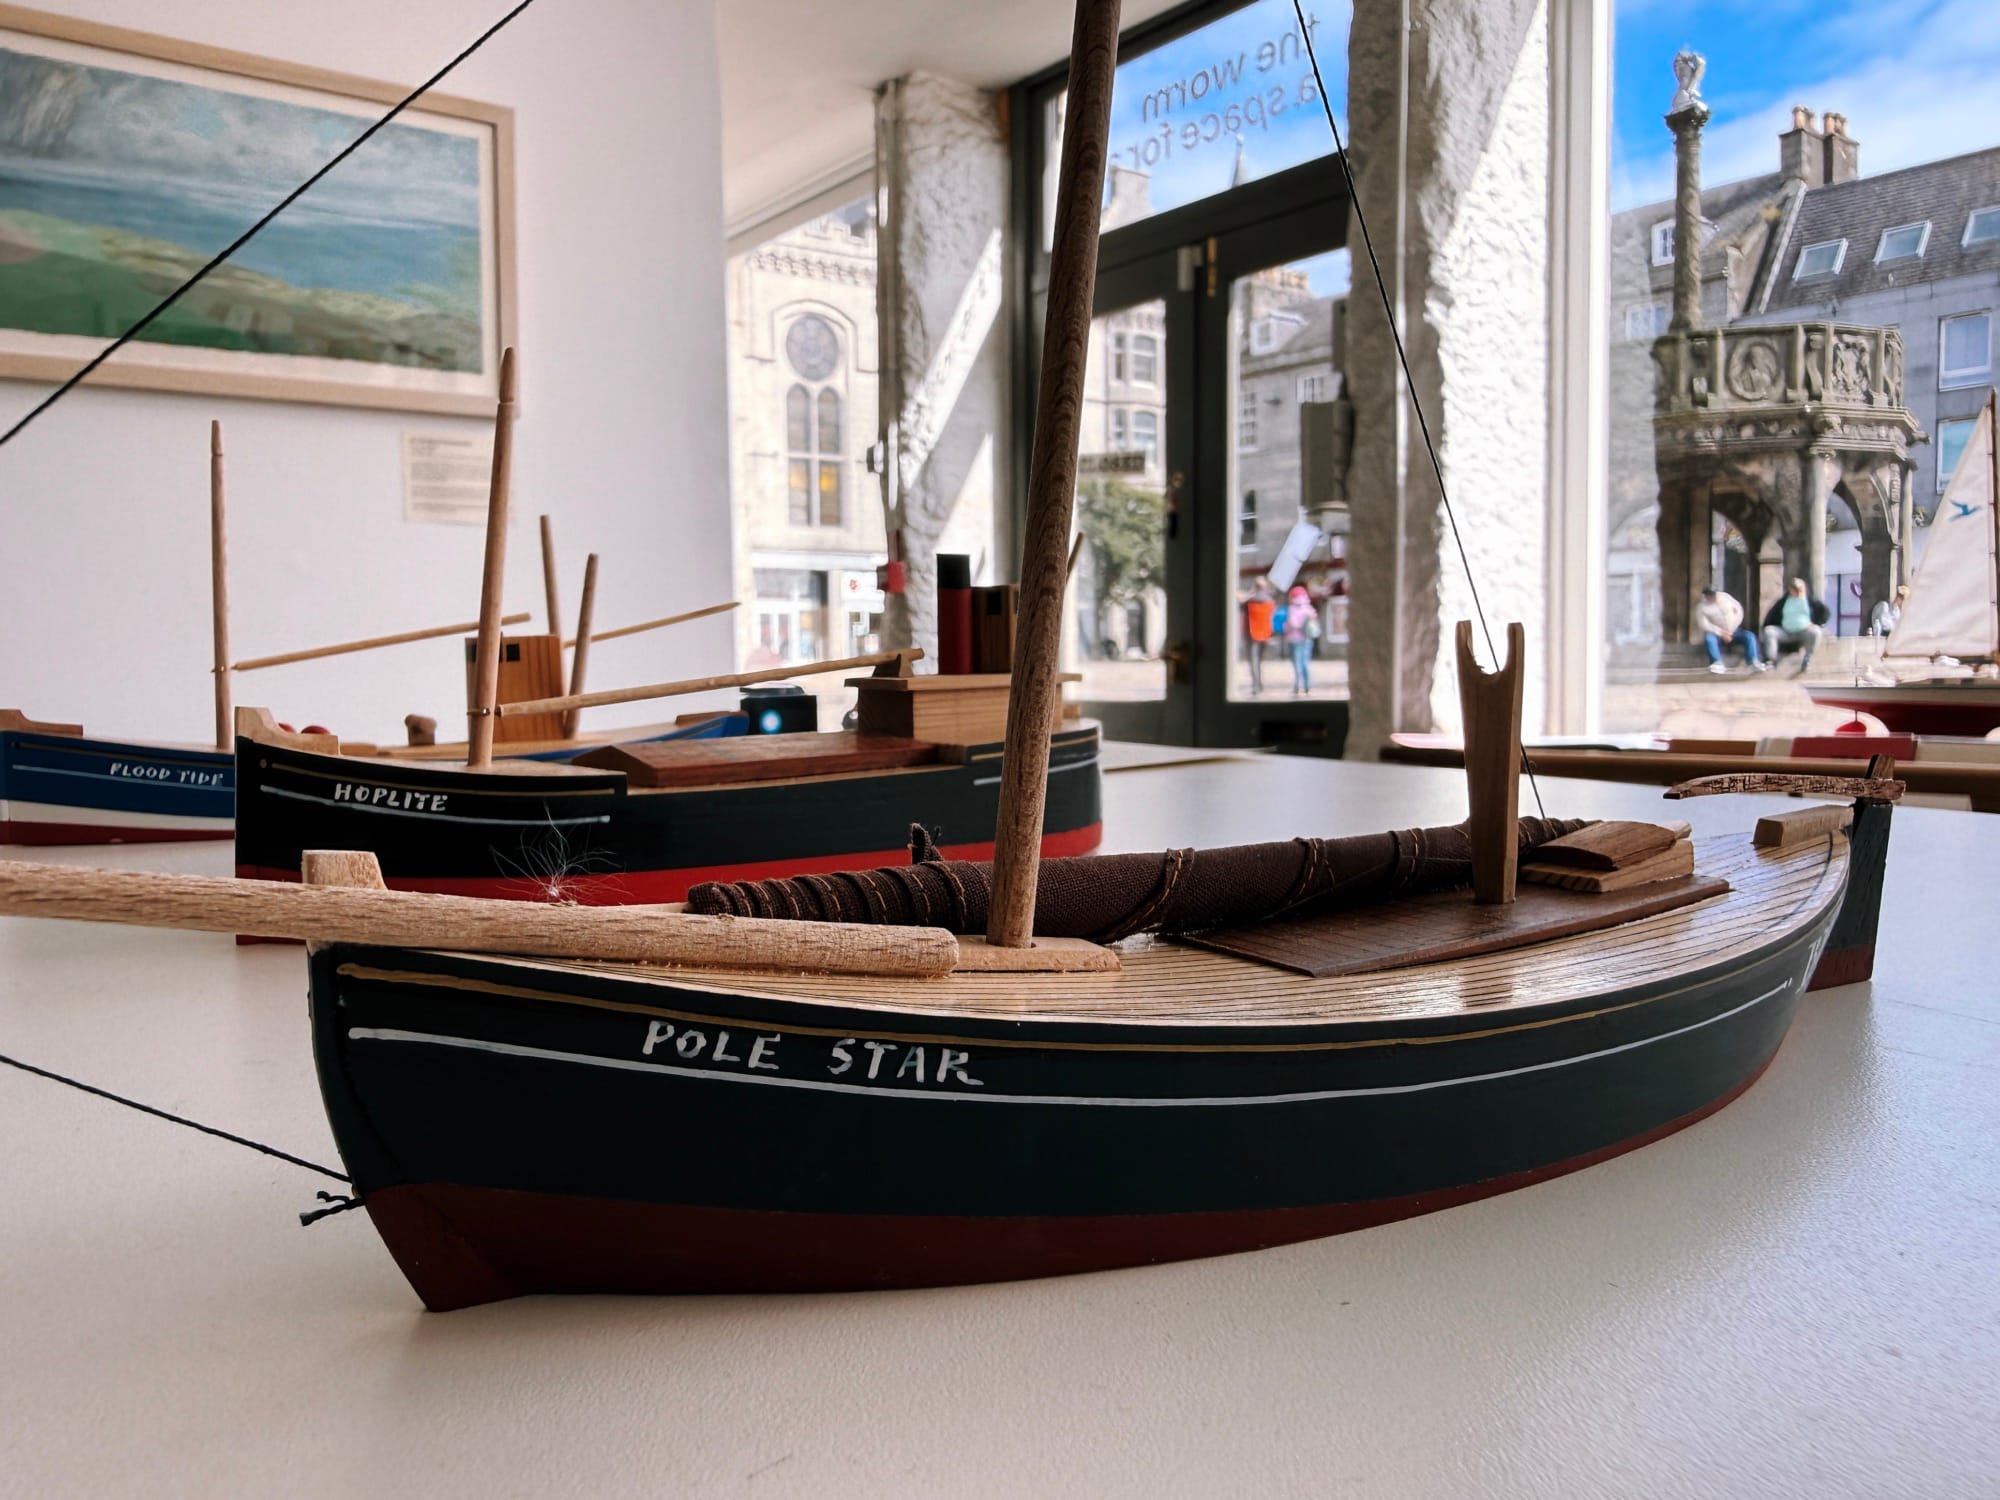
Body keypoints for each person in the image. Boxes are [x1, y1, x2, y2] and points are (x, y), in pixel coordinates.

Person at [1762, 577, 1828, 672]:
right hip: (1785, 631)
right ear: (1791, 590)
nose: (1797, 592)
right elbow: (1771, 615)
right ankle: (1772, 661)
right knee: (1769, 631)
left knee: (1816, 632)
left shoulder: (1810, 601)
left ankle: (1807, 659)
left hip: (1804, 631)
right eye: (1795, 589)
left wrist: (1816, 623)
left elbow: (1825, 613)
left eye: (1800, 589)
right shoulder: (1783, 602)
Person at [1696, 585, 1766, 673]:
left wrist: (1731, 629)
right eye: (1708, 595)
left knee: (1749, 636)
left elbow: (1739, 610)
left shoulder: (1726, 598)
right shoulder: (1702, 607)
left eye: (1713, 594)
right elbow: (1704, 624)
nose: (1711, 597)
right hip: (1717, 634)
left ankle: (1753, 662)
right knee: (1709, 638)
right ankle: (1716, 662)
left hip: (1733, 631)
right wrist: (1721, 633)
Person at [1283, 583, 1318, 695]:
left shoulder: (1292, 608)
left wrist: (1286, 626)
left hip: (1294, 639)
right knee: (1305, 663)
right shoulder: (1308, 607)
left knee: (1297, 663)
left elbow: (1292, 624)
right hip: (1307, 638)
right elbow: (1314, 619)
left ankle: (1298, 686)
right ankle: (1307, 686)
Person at [1242, 579, 1276, 695]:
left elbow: (1240, 602)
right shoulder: (1270, 600)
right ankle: (1260, 684)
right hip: (1265, 633)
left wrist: (1250, 592)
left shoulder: (1249, 601)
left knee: (1253, 661)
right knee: (1260, 660)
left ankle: (1256, 685)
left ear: (1255, 587)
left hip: (1251, 634)